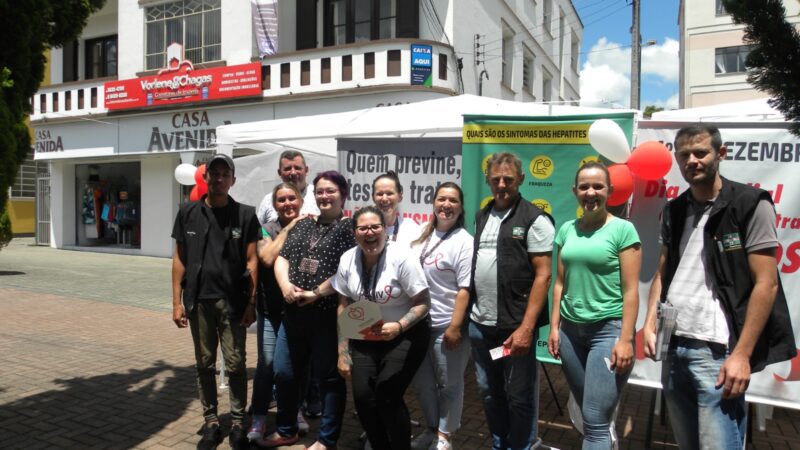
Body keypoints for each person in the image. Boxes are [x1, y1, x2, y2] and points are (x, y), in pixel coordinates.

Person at [642, 125, 796, 450]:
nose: (692, 161)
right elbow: (662, 273)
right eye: (684, 155)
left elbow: (766, 284)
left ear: (721, 154)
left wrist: (742, 354)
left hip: (718, 353)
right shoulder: (674, 209)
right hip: (675, 347)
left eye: (701, 152)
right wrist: (649, 322)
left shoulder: (750, 204)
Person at [547, 162, 641, 449]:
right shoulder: (566, 230)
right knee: (591, 417)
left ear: (609, 191)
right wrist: (554, 327)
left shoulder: (623, 230)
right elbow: (560, 283)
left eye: (598, 186)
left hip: (607, 332)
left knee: (595, 421)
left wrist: (625, 339)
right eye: (584, 187)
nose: (591, 192)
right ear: (575, 191)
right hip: (571, 334)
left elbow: (631, 290)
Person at [171, 153, 260, 450]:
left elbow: (252, 259)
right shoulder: (187, 212)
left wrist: (251, 302)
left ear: (233, 180)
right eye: (214, 173)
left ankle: (237, 423)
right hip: (198, 301)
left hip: (233, 303)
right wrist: (176, 302)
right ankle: (211, 422)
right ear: (205, 177)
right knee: (204, 364)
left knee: (236, 364)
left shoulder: (245, 214)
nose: (219, 178)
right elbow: (179, 258)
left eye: (225, 174)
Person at [264, 171, 356, 450]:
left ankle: (326, 440)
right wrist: (285, 285)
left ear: (343, 194)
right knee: (284, 373)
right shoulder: (303, 225)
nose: (324, 196)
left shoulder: (350, 229)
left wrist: (315, 293)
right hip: (293, 314)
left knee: (329, 380)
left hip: (328, 317)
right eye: (319, 191)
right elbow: (282, 258)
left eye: (331, 191)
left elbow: (348, 271)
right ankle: (286, 430)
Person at [468, 152, 554, 450]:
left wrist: (527, 328)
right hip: (482, 327)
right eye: (496, 179)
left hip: (514, 329)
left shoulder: (535, 219)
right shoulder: (482, 215)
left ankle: (522, 446)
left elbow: (543, 276)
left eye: (508, 179)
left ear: (520, 179)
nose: (501, 184)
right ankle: (499, 445)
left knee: (519, 396)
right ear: (488, 180)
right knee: (489, 392)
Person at [333, 205, 432, 450]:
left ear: (385, 230)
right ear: (355, 233)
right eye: (363, 228)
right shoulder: (347, 259)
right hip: (365, 334)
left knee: (387, 394)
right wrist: (342, 352)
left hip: (406, 334)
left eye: (375, 227)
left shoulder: (402, 256)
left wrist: (399, 326)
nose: (370, 233)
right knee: (363, 399)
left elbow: (424, 303)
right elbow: (344, 305)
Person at [410, 183, 474, 450]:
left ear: (460, 207)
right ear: (433, 203)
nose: (446, 204)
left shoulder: (464, 242)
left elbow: (464, 289)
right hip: (416, 325)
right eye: (441, 199)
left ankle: (446, 435)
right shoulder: (421, 235)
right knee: (423, 384)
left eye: (452, 200)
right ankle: (432, 428)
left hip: (446, 325)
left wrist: (455, 327)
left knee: (449, 384)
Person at [247, 182, 306, 443]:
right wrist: (291, 228)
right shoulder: (265, 228)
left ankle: (295, 413)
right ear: (274, 204)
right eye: (281, 200)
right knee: (268, 364)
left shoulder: (313, 227)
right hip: (271, 311)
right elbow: (268, 258)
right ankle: (259, 418)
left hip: (301, 310)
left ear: (301, 200)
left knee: (295, 367)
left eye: (292, 198)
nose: (287, 204)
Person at [256, 150, 319, 226]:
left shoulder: (318, 195)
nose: (293, 172)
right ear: (279, 172)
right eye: (288, 169)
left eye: (297, 168)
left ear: (306, 170)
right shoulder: (268, 200)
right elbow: (260, 230)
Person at [372, 171, 423, 248]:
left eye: (389, 193)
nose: (384, 198)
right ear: (373, 197)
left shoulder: (411, 228)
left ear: (400, 196)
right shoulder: (364, 228)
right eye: (379, 194)